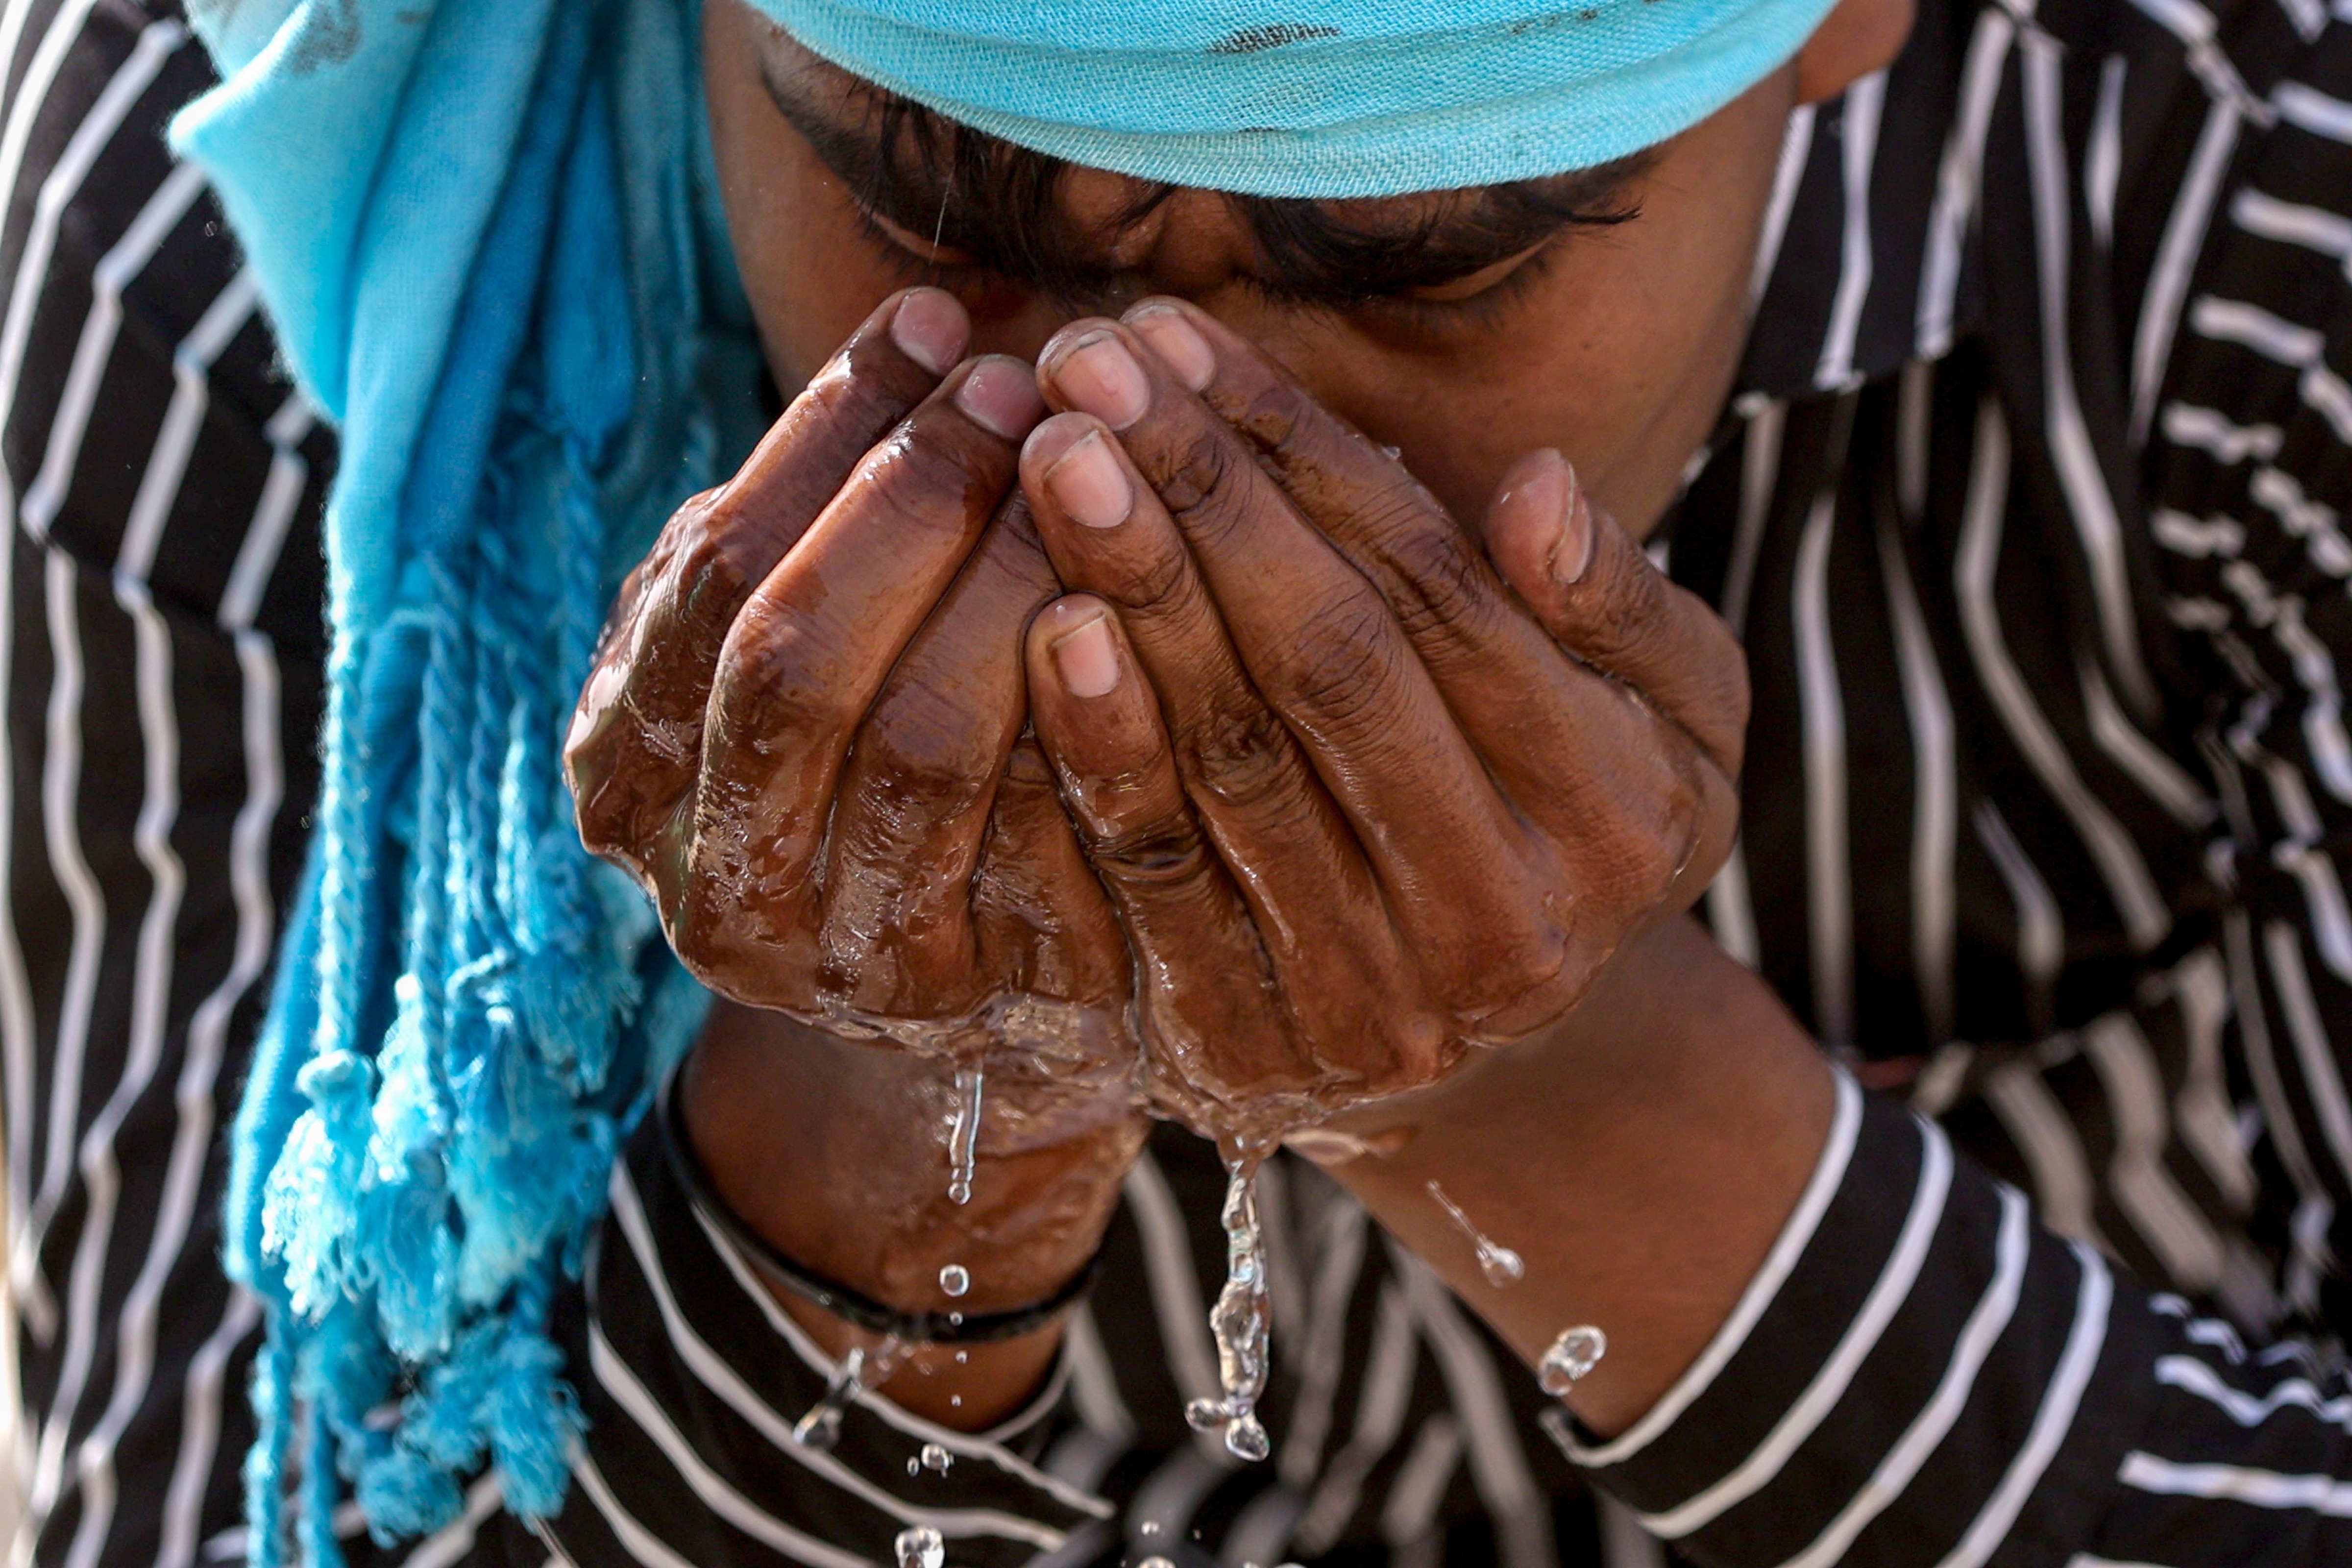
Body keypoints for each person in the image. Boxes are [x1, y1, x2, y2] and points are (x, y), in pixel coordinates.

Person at [5, 0, 2352, 1563]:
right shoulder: (250, 243)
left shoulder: (2242, 174)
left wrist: (1546, 1072)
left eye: (1427, 260)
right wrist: (870, 1148)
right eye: (950, 209)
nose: (1139, 418)